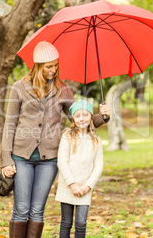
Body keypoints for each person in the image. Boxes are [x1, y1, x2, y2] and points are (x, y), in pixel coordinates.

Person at [1, 41, 110, 238]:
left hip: (49, 158)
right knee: (21, 208)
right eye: (49, 66)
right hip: (21, 156)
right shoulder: (18, 88)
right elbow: (9, 125)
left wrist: (102, 117)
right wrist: (6, 159)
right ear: (37, 66)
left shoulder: (62, 89)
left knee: (37, 210)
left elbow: (79, 119)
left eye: (55, 65)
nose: (53, 70)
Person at [56, 99, 103, 238]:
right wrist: (72, 184)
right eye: (77, 116)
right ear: (73, 119)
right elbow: (62, 162)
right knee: (66, 222)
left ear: (91, 117)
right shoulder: (67, 136)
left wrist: (87, 186)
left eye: (85, 115)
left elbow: (99, 165)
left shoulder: (96, 140)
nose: (81, 119)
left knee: (81, 222)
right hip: (68, 186)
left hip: (85, 187)